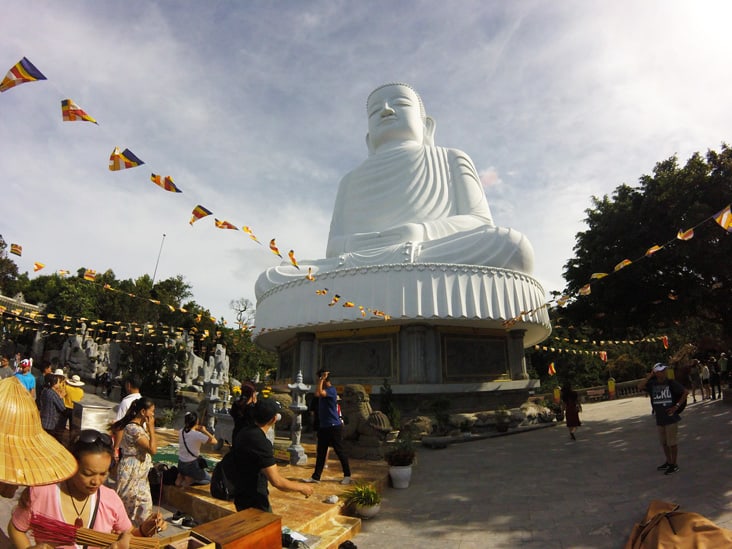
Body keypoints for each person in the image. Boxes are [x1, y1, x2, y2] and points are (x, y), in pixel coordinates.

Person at [255, 82, 535, 298]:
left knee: (511, 246)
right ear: (368, 135)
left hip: (429, 254)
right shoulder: (350, 180)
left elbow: (480, 223)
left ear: (426, 125)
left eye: (399, 104)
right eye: (375, 111)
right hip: (354, 263)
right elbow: (333, 248)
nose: (386, 110)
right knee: (272, 277)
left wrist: (419, 233)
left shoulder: (450, 157)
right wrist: (355, 245)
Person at [9, 429, 165, 548]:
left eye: (103, 474)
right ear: (72, 464)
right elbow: (16, 528)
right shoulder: (42, 492)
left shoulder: (110, 499)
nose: (96, 481)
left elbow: (128, 535)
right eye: (88, 473)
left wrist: (145, 529)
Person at [230, 399, 313, 512]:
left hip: (240, 493)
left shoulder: (244, 431)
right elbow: (277, 481)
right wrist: (302, 488)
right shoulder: (261, 443)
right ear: (273, 419)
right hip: (255, 500)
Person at [111, 397, 157, 526]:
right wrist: (152, 429)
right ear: (143, 412)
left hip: (141, 475)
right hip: (131, 472)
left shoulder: (139, 427)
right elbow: (152, 449)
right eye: (151, 411)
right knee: (126, 507)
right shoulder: (133, 428)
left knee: (145, 507)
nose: (153, 414)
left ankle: (142, 534)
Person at [638, 363, 689, 475]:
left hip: (670, 418)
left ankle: (674, 464)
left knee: (672, 443)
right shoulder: (652, 384)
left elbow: (685, 392)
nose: (664, 372)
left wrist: (676, 406)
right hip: (660, 418)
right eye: (661, 371)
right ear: (655, 372)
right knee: (664, 443)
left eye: (664, 370)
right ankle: (668, 461)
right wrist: (649, 376)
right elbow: (640, 387)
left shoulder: (671, 383)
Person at [303, 369, 352, 484]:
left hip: (334, 426)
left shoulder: (331, 390)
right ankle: (316, 477)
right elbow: (317, 394)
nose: (317, 381)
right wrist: (321, 381)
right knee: (321, 452)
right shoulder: (324, 390)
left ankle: (347, 475)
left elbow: (319, 393)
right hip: (324, 426)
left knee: (339, 451)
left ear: (324, 379)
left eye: (318, 379)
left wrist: (321, 380)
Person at [176, 411, 217, 487]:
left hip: (181, 464)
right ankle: (190, 479)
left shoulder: (181, 431)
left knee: (184, 474)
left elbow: (190, 434)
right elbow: (214, 441)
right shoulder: (197, 435)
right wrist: (204, 431)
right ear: (196, 422)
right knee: (209, 480)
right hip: (192, 466)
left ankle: (181, 476)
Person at [39, 372, 68, 442]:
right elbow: (62, 408)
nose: (59, 384)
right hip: (51, 423)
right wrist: (61, 397)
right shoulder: (53, 394)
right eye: (58, 383)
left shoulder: (44, 391)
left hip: (43, 420)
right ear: (54, 384)